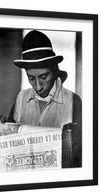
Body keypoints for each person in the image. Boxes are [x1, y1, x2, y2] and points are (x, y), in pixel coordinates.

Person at [7, 30, 82, 167]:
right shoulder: (20, 99)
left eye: (43, 77)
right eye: (31, 78)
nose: (38, 86)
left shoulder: (73, 102)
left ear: (54, 70)